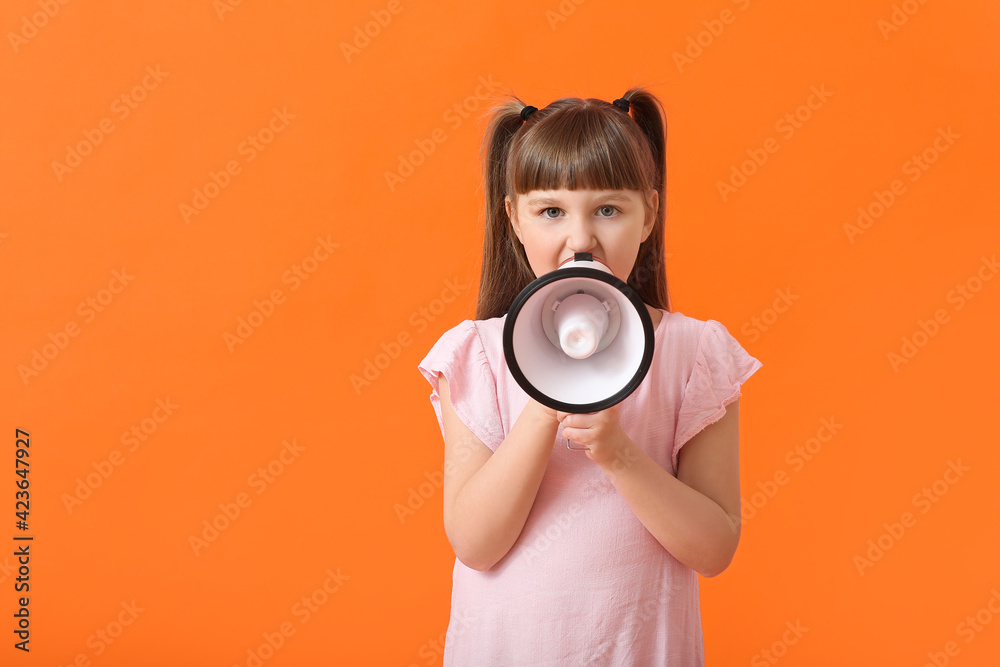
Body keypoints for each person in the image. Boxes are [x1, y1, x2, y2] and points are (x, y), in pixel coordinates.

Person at [416, 86, 763, 666]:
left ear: (649, 213)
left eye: (609, 209)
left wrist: (619, 453)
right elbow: (476, 543)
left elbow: (713, 547)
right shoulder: (475, 354)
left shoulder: (694, 353)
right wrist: (546, 397)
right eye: (551, 211)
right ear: (514, 219)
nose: (580, 239)